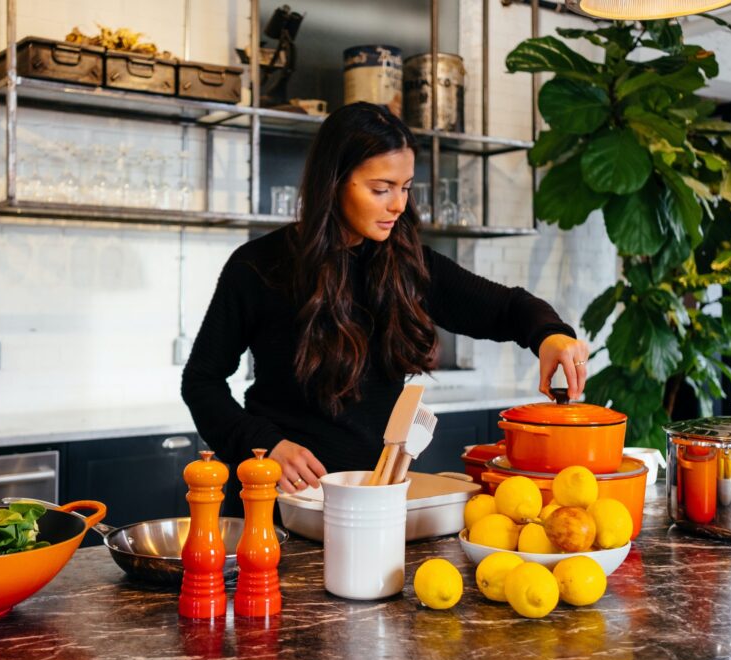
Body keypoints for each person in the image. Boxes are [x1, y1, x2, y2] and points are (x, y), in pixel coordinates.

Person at [182, 102, 589, 495]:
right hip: (277, 501)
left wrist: (549, 334)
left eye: (405, 188)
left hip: (374, 500)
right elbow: (202, 382)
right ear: (334, 181)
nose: (397, 205)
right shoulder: (258, 266)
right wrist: (266, 445)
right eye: (381, 189)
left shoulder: (407, 264)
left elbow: (508, 308)